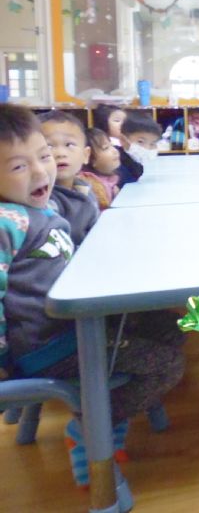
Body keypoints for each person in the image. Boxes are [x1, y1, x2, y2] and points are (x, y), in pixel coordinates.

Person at [0, 105, 184, 487]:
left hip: (75, 327)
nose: (41, 172)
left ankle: (106, 425)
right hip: (50, 346)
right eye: (19, 166)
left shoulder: (43, 206)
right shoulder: (8, 222)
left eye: (44, 157)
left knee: (168, 326)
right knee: (166, 365)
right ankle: (94, 427)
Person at [38, 111, 98, 246]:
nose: (60, 153)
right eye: (48, 146)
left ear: (86, 155)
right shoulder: (44, 200)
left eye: (69, 145)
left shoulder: (84, 189)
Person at [79, 128, 122, 210]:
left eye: (112, 145)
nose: (115, 151)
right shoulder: (91, 185)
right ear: (89, 158)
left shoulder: (109, 180)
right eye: (106, 148)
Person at [119, 112, 162, 181]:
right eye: (140, 142)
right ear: (123, 140)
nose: (147, 148)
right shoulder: (116, 162)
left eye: (152, 144)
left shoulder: (137, 164)